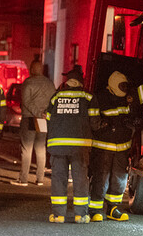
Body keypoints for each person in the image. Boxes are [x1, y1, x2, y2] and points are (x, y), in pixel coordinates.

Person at [44, 64, 98, 223]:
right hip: (79, 147)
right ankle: (80, 215)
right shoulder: (88, 97)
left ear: (67, 81)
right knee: (80, 179)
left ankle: (58, 215)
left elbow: (48, 119)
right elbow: (94, 122)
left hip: (58, 145)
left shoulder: (56, 97)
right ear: (81, 81)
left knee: (58, 179)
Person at [88, 70, 136, 222]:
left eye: (125, 86)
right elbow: (93, 120)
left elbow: (130, 116)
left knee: (119, 179)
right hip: (103, 148)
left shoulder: (127, 100)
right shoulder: (100, 98)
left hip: (122, 148)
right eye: (121, 86)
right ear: (114, 85)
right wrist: (103, 126)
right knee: (101, 178)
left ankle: (113, 208)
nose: (124, 89)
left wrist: (133, 123)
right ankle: (95, 209)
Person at [12, 60, 55, 186]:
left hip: (30, 118)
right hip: (43, 120)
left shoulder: (28, 82)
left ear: (32, 69)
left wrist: (37, 113)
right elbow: (53, 101)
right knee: (41, 148)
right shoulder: (49, 84)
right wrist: (44, 113)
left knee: (26, 149)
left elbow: (26, 101)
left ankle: (23, 179)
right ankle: (40, 179)